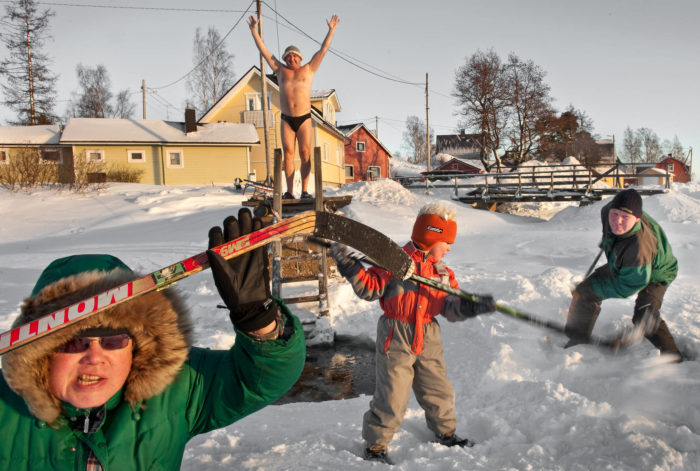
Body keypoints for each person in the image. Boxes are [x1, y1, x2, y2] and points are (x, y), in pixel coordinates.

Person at [0, 208, 306, 469]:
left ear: (136, 347)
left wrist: (258, 319)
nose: (94, 357)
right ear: (42, 352)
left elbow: (259, 381)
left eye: (112, 341)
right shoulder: (6, 406)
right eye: (73, 342)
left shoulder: (175, 390)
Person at [330, 202, 496, 464]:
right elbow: (369, 289)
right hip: (395, 334)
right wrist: (350, 267)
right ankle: (376, 445)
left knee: (437, 388)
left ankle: (446, 432)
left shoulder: (442, 273)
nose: (449, 248)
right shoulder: (393, 262)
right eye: (446, 242)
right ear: (431, 236)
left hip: (429, 336)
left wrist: (470, 306)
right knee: (392, 394)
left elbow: (450, 310)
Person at [564, 188, 681, 360]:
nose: (617, 221)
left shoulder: (638, 247)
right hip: (626, 263)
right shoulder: (606, 212)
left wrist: (596, 288)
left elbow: (629, 285)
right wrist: (608, 240)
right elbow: (611, 224)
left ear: (637, 219)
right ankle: (577, 338)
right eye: (615, 214)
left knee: (645, 316)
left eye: (625, 217)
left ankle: (674, 357)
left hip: (658, 272)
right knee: (584, 291)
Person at [248, 14, 340, 200]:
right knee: (288, 154)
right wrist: (254, 31)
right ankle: (290, 191)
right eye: (287, 56)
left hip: (304, 118)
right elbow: (264, 51)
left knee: (305, 153)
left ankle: (305, 190)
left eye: (294, 56)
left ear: (299, 58)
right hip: (286, 119)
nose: (291, 58)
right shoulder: (280, 70)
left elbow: (323, 50)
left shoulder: (308, 69)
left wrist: (331, 30)